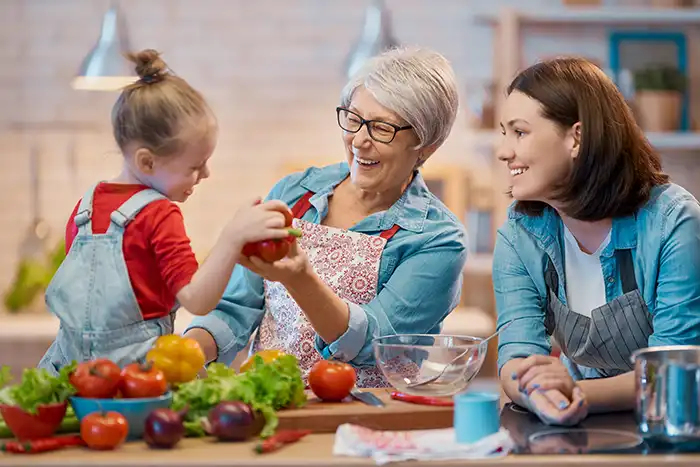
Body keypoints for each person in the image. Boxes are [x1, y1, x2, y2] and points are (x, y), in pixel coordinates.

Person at [184, 47, 468, 387]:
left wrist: (300, 278)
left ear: (426, 145)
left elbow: (374, 343)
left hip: (371, 415)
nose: (359, 141)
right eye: (353, 119)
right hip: (275, 403)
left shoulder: (437, 238)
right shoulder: (294, 193)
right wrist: (182, 353)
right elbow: (234, 310)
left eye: (381, 128)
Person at [38, 50, 293, 374]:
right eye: (195, 166)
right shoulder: (159, 214)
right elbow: (197, 300)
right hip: (136, 381)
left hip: (72, 377)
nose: (206, 174)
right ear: (147, 161)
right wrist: (232, 237)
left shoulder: (85, 207)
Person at [493, 56, 700, 425]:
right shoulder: (519, 234)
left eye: (519, 132)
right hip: (576, 423)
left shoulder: (673, 222)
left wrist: (577, 392)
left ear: (577, 137)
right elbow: (516, 356)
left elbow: (672, 373)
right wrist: (538, 394)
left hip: (671, 427)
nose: (504, 151)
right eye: (503, 133)